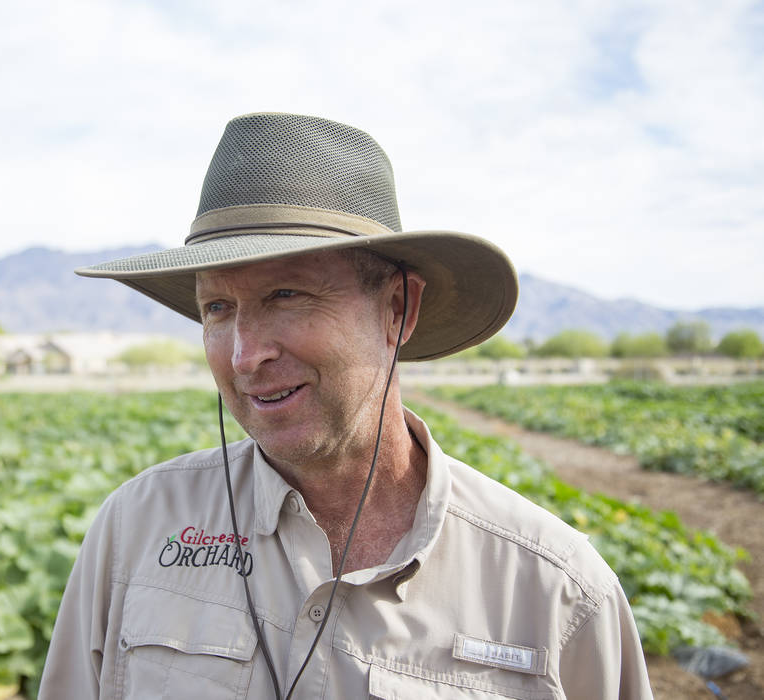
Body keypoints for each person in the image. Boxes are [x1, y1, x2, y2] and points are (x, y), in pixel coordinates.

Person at [39, 112, 653, 699]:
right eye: (217, 309)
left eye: (287, 294)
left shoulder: (556, 591)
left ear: (398, 311)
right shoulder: (136, 527)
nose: (244, 355)